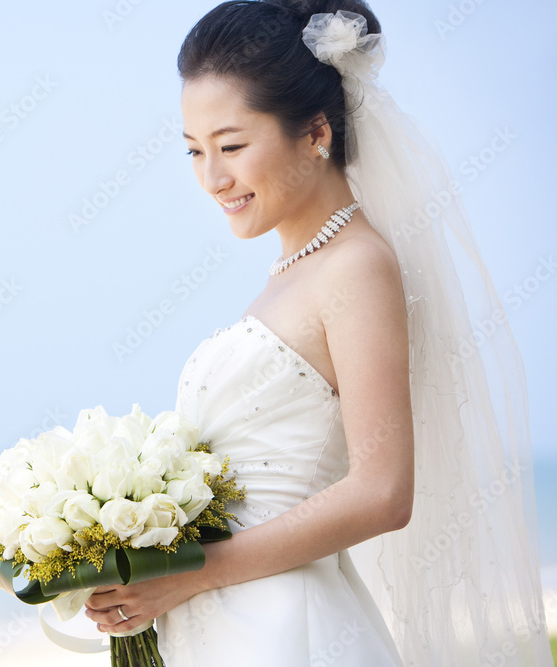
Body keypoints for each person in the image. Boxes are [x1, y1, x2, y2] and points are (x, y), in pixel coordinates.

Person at [83, 1, 553, 665]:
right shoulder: (291, 274)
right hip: (228, 626)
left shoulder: (358, 266)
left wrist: (189, 573)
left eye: (233, 146)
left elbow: (383, 492)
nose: (213, 179)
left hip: (289, 633)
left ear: (315, 134)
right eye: (195, 152)